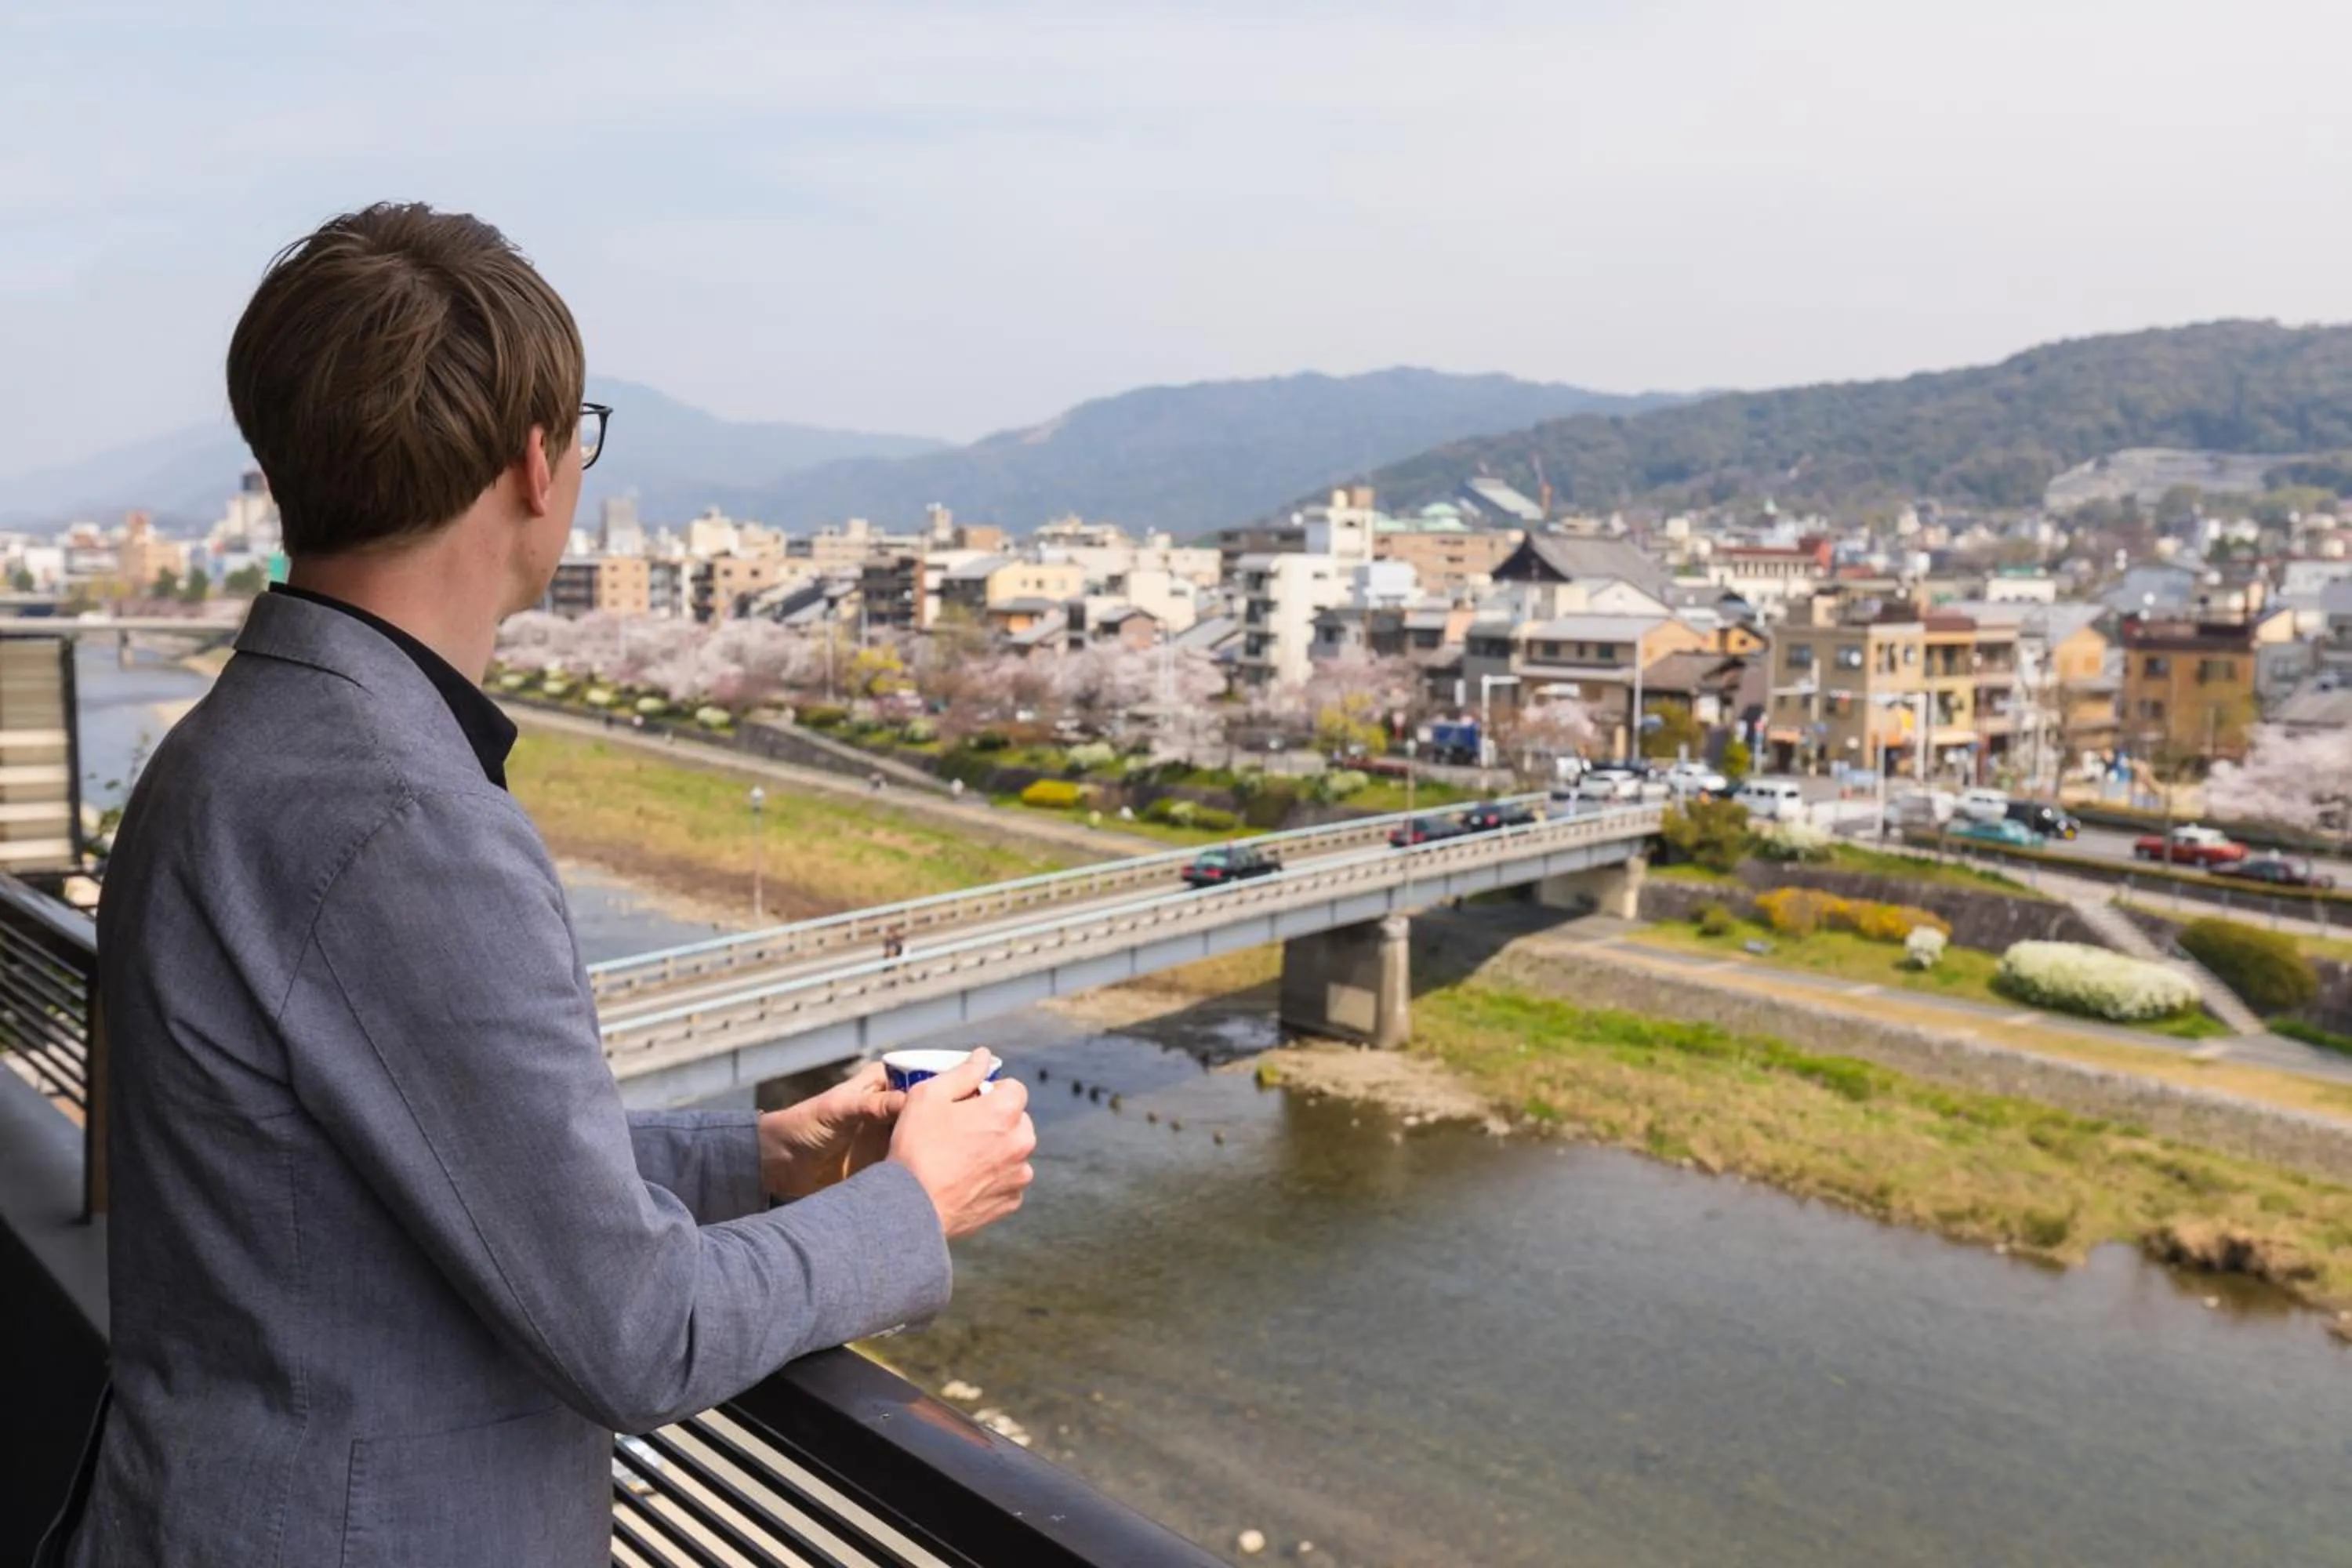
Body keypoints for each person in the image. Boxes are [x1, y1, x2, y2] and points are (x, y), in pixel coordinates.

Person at [38, 203, 1036, 1568]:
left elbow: (407, 1162)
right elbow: (639, 1330)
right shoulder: (400, 815)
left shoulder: (231, 747)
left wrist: (766, 1153)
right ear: (534, 465)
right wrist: (914, 1205)